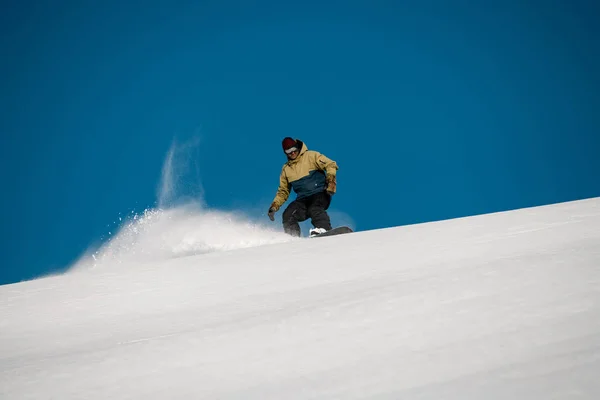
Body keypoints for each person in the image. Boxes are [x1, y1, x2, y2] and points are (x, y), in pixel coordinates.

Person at [268, 137, 338, 237]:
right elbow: (283, 191)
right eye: (288, 151)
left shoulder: (311, 156)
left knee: (314, 208)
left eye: (293, 149)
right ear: (285, 153)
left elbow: (330, 164)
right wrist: (274, 206)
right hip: (302, 199)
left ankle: (324, 229)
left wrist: (331, 181)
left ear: (297, 147)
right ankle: (293, 238)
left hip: (319, 193)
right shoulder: (286, 169)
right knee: (288, 214)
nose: (292, 153)